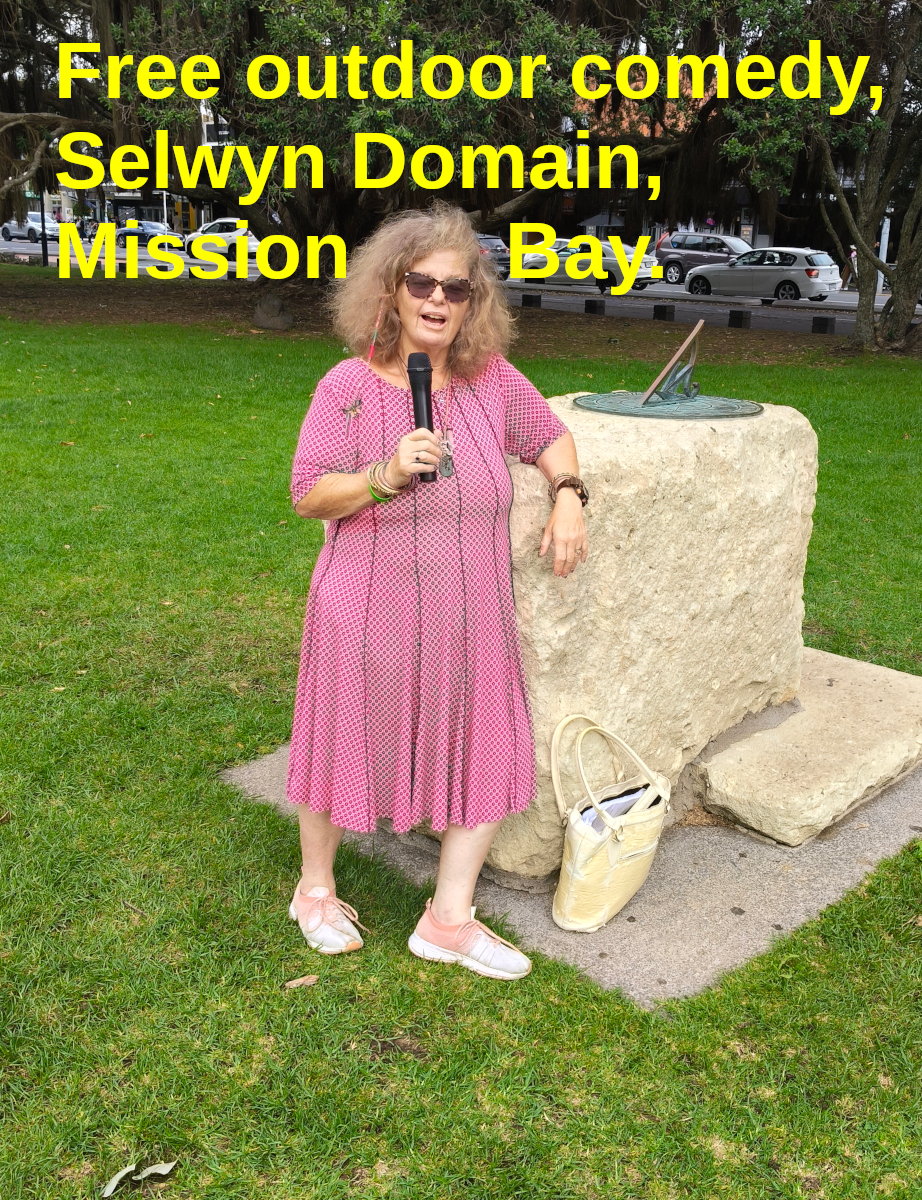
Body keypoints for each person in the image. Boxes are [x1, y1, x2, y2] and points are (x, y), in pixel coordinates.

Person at [286, 204, 589, 981]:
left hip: (471, 614)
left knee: (489, 747)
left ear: (472, 302)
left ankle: (448, 921)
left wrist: (568, 494)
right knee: (341, 738)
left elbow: (549, 434)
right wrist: (384, 475)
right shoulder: (349, 386)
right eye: (421, 283)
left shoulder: (492, 380)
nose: (437, 300)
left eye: (456, 288)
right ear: (389, 291)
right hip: (367, 608)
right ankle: (314, 890)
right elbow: (309, 493)